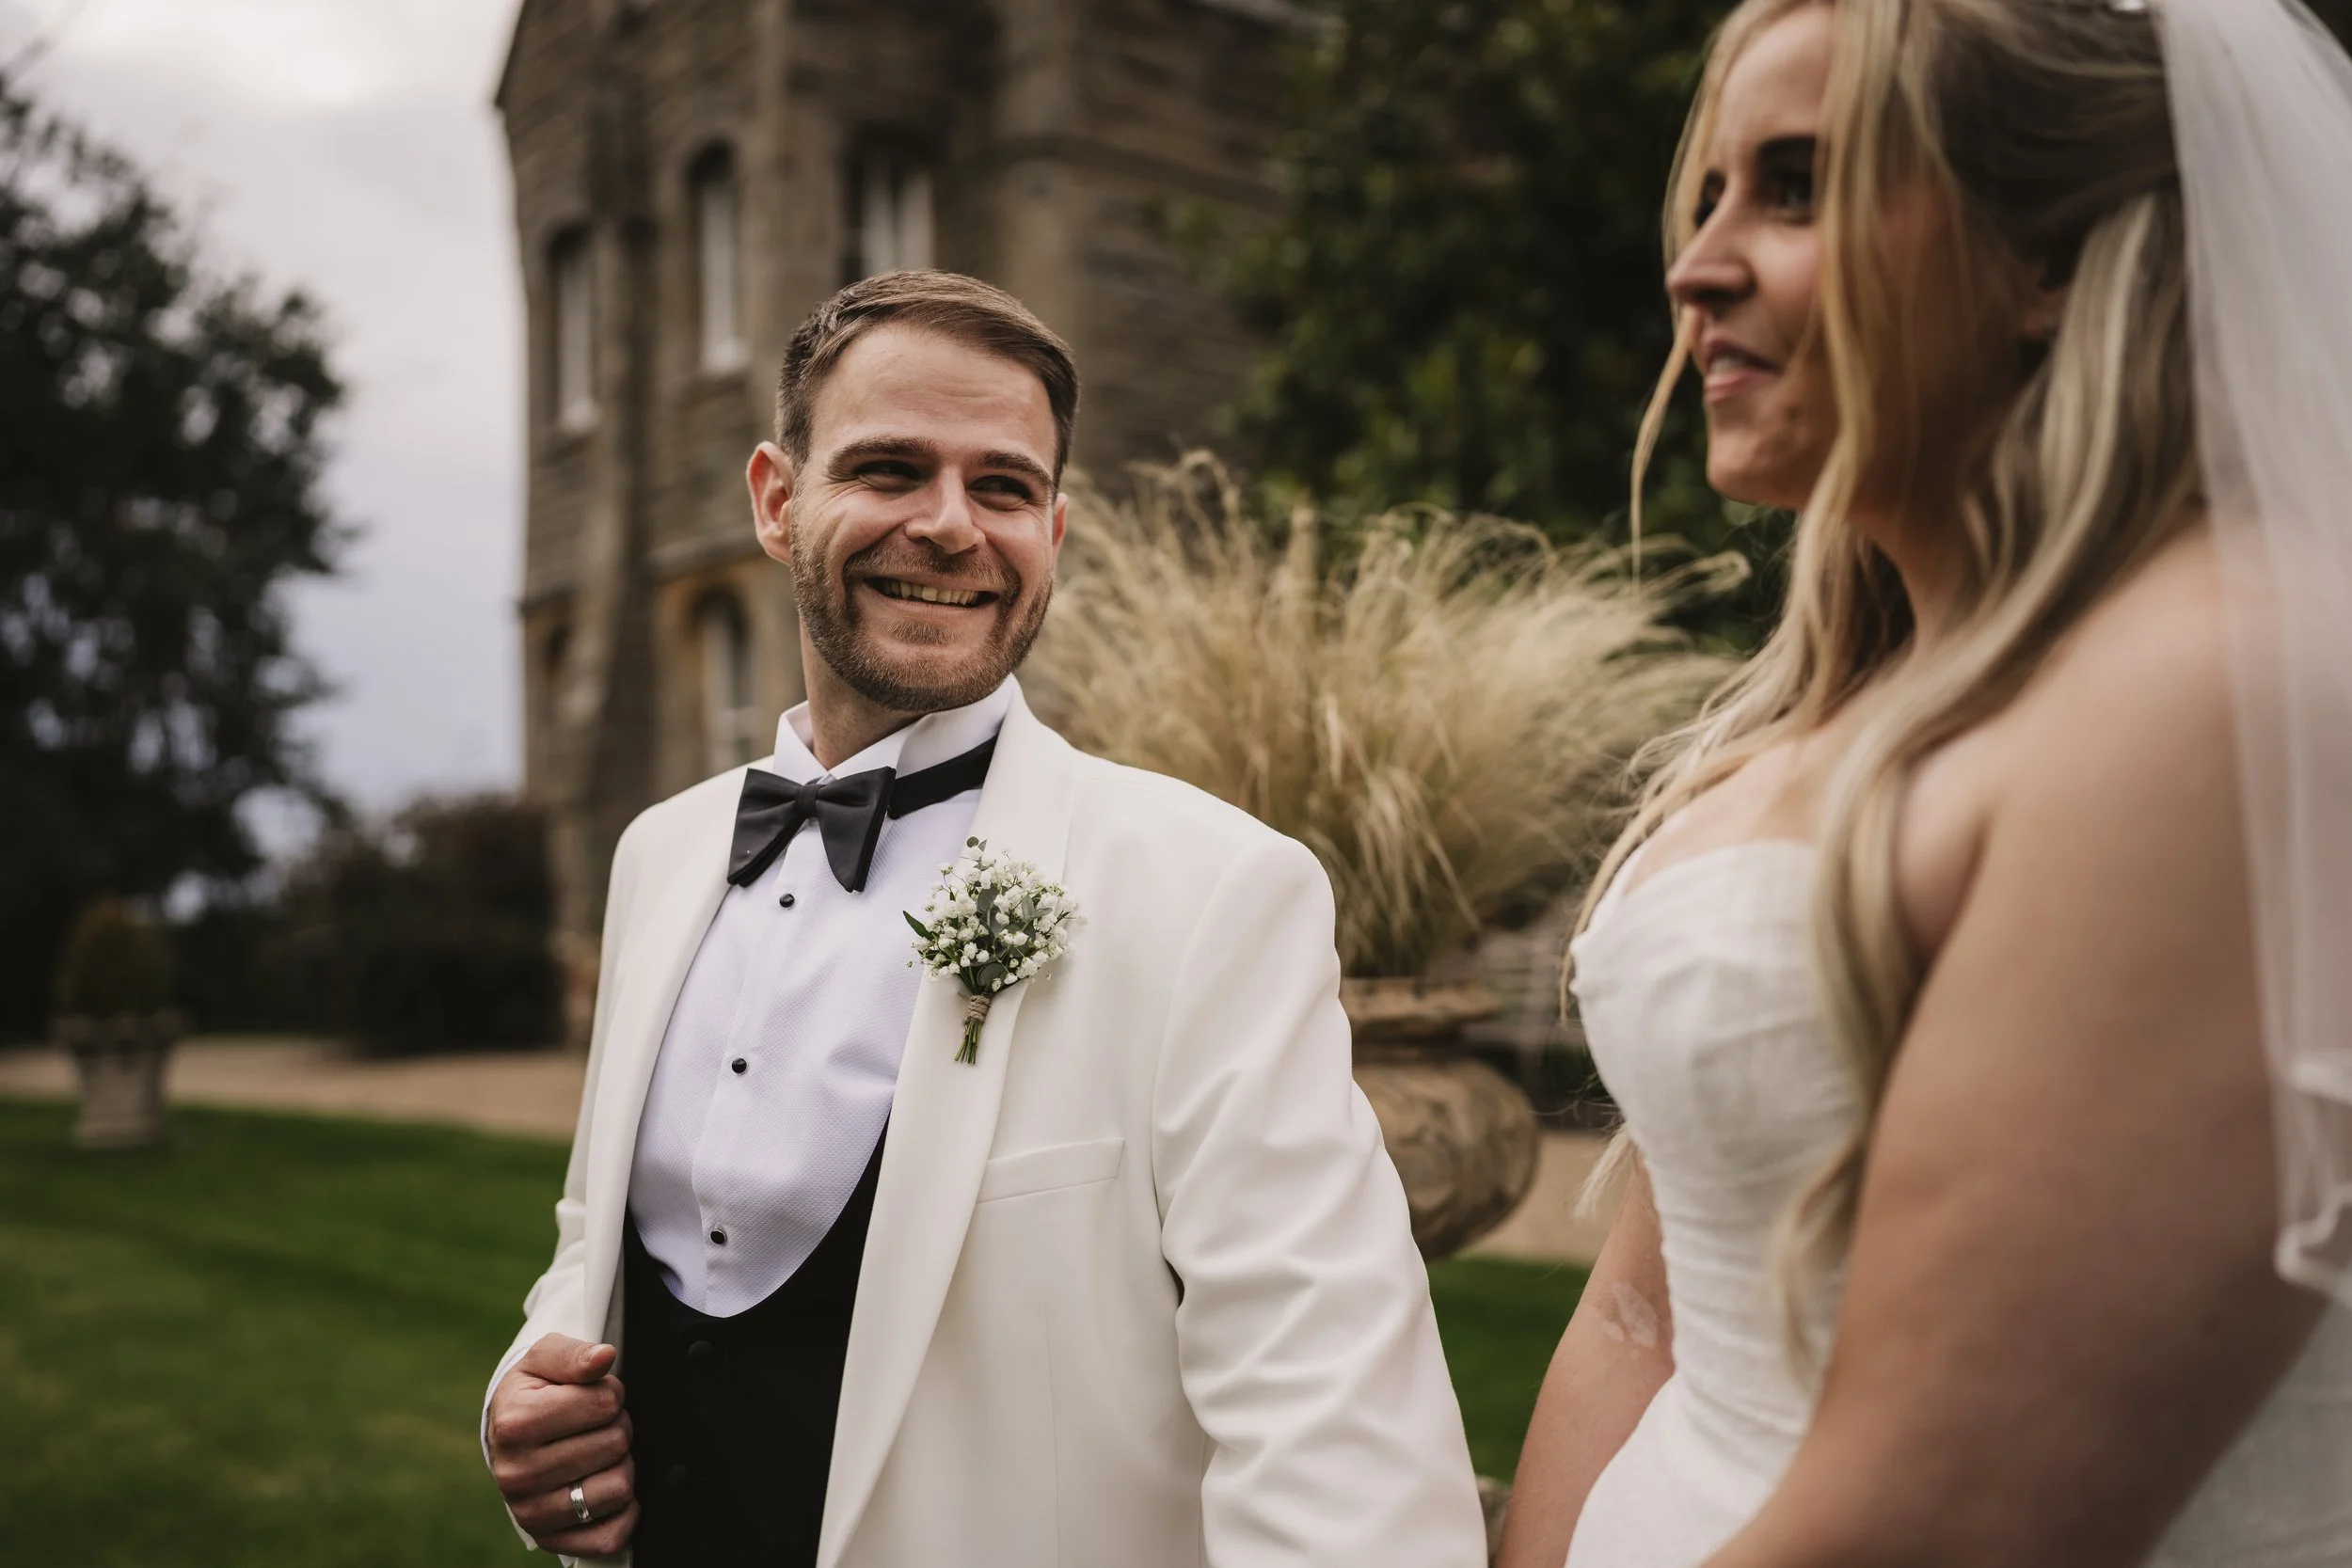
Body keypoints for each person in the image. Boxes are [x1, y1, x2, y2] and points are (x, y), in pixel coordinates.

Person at [1499, 2, 2352, 1565]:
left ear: (2048, 260)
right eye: (1711, 198)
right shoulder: (1821, 704)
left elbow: (1954, 1514)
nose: (1696, 268)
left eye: (1802, 186)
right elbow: (1640, 1304)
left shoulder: (2214, 688)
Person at [480, 271, 1486, 1568]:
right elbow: (597, 1231)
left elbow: (1340, 1436)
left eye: (1003, 487)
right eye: (891, 469)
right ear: (778, 502)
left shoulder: (1213, 892)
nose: (952, 526)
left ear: (1053, 529)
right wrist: (535, 1384)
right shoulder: (661, 853)